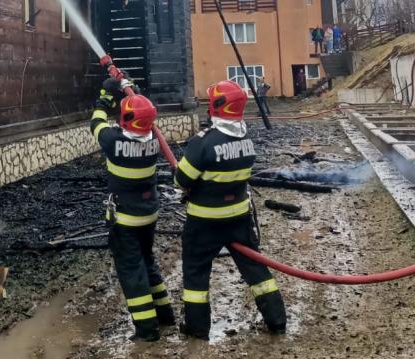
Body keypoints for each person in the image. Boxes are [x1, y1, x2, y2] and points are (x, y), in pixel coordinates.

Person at [175, 80, 286, 339]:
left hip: (204, 222)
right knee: (255, 268)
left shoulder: (202, 142)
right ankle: (277, 320)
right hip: (238, 219)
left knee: (196, 272)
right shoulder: (246, 140)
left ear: (216, 106)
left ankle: (197, 329)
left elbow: (181, 181)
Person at [90, 76, 175, 341]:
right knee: (148, 261)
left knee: (131, 271)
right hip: (149, 214)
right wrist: (133, 96)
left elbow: (96, 123)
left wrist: (105, 99)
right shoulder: (154, 141)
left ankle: (147, 330)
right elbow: (140, 121)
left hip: (125, 220)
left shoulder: (113, 142)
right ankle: (165, 315)